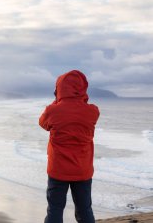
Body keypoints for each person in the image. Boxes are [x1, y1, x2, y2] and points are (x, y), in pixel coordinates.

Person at [39, 70, 100, 223]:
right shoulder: (93, 111)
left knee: (55, 209)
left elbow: (43, 123)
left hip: (58, 169)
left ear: (59, 89)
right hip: (82, 170)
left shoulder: (52, 111)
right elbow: (82, 111)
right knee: (84, 209)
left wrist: (57, 100)